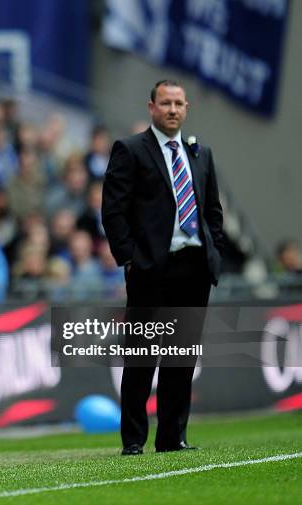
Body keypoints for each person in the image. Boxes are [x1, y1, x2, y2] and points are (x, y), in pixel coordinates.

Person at [102, 80, 224, 455]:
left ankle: (173, 437)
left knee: (181, 357)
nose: (172, 110)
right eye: (165, 103)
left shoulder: (200, 152)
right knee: (141, 356)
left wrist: (212, 248)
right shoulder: (131, 149)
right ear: (152, 107)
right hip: (151, 268)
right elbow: (113, 210)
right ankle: (134, 440)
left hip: (194, 268)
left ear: (186, 108)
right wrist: (129, 259)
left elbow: (213, 211)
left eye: (178, 104)